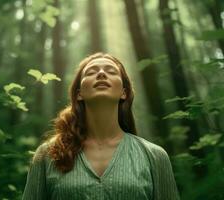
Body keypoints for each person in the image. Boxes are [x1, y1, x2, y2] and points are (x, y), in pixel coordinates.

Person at [22, 52, 180, 200]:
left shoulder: (154, 156)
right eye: (91, 72)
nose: (101, 74)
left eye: (111, 71)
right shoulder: (48, 154)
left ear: (124, 93)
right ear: (79, 94)